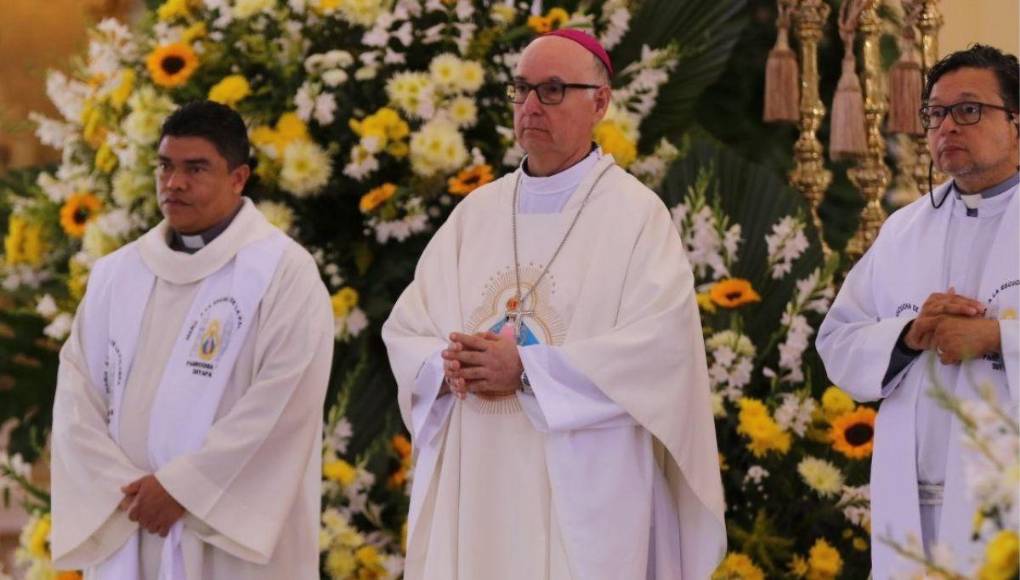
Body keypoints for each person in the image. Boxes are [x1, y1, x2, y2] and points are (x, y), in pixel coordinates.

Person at [382, 29, 725, 579]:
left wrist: (526, 370)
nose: (531, 106)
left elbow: (659, 352)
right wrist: (446, 365)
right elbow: (407, 328)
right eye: (522, 89)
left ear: (600, 102)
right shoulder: (476, 213)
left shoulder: (636, 217)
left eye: (553, 90)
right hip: (480, 481)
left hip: (586, 488)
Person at [49, 101, 334, 579]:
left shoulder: (283, 275)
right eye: (165, 166)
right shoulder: (117, 274)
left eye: (195, 169)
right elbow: (76, 397)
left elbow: (285, 405)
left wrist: (184, 489)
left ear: (238, 178)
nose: (174, 183)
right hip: (131, 521)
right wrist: (127, 491)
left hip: (225, 541)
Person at [817, 44, 1019, 578]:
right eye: (934, 113)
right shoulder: (902, 231)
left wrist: (997, 339)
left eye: (969, 110)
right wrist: (908, 335)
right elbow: (837, 341)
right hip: (914, 501)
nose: (946, 126)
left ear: (1017, 122)